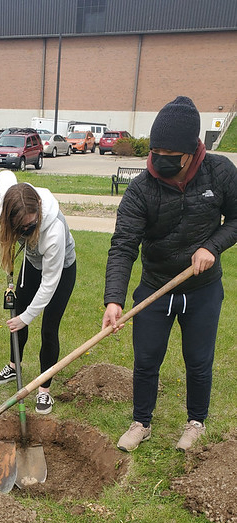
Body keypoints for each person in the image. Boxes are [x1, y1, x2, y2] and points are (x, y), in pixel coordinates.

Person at [102, 96, 237, 452]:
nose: (159, 161)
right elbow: (124, 246)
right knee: (146, 359)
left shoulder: (220, 172)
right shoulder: (141, 188)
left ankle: (196, 422)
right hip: (155, 286)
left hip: (202, 289)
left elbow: (236, 218)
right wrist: (114, 298)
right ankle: (141, 422)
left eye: (170, 156)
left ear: (193, 150)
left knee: (199, 359)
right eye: (155, 151)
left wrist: (213, 246)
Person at [0, 170, 76, 414]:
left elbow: (50, 283)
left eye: (31, 226)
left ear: (38, 209)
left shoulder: (54, 232)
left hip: (61, 270)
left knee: (48, 328)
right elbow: (5, 175)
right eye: (21, 228)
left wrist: (27, 316)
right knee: (16, 316)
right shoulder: (6, 206)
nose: (26, 231)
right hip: (32, 264)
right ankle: (14, 365)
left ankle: (44, 390)